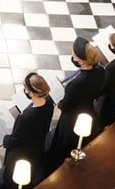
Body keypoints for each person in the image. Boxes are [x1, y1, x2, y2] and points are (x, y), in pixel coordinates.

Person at [46, 37, 107, 175]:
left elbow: (65, 105)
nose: (71, 56)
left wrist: (60, 99)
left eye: (73, 54)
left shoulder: (75, 84)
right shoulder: (100, 71)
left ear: (80, 60)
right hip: (88, 111)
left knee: (64, 146)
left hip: (71, 118)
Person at [1, 72, 54, 189]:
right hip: (37, 146)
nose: (24, 91)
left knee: (13, 179)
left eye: (25, 89)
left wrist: (5, 139)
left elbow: (16, 139)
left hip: (22, 152)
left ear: (31, 92)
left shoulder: (26, 117)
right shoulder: (49, 103)